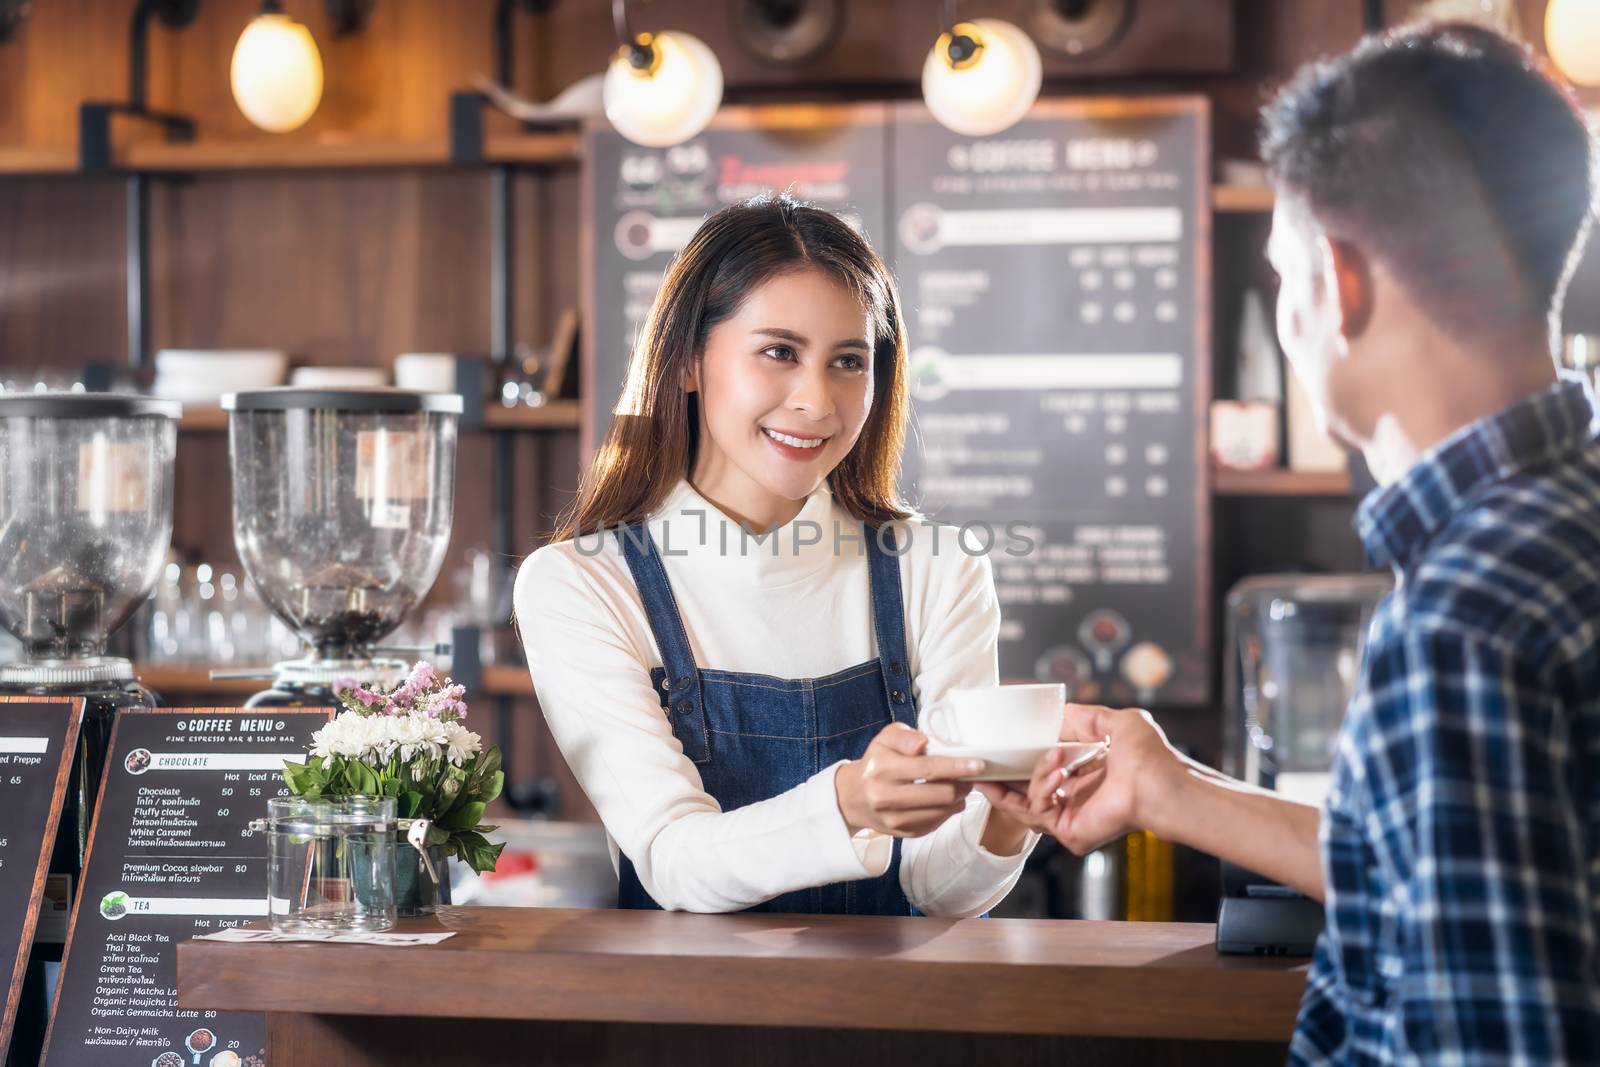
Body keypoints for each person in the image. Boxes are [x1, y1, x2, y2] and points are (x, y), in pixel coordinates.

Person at [983, 21, 1600, 1064]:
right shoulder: (1565, 515)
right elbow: (1464, 875)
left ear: (1339, 285)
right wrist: (1172, 789)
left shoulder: (1460, 616)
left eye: (1281, 273)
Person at [515, 194, 1036, 915]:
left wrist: (1012, 810)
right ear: (690, 361)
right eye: (779, 352)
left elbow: (938, 890)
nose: (817, 401)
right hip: (683, 1021)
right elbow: (674, 860)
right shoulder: (581, 585)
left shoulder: (939, 567)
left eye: (849, 361)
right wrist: (850, 802)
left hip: (893, 1021)